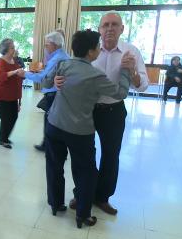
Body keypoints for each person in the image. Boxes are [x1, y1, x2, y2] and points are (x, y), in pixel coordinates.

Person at [61, 11, 149, 215]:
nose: (110, 28)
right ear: (100, 29)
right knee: (82, 154)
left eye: (114, 24)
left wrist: (133, 72)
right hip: (87, 110)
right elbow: (71, 73)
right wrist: (59, 82)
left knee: (111, 155)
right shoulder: (89, 51)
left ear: (122, 29)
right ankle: (82, 193)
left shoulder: (131, 52)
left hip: (114, 110)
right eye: (105, 25)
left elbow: (143, 85)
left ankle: (102, 197)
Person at [43, 29, 132, 228]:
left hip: (54, 125)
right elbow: (120, 93)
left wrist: (54, 81)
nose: (100, 49)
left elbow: (46, 81)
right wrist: (125, 71)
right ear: (92, 52)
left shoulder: (62, 64)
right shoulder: (96, 75)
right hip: (79, 131)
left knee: (54, 165)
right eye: (98, 46)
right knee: (87, 172)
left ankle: (56, 204)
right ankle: (83, 215)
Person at [25, 32, 70, 152]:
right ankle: (49, 144)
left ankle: (49, 145)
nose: (45, 47)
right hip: (58, 94)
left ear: (54, 45)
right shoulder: (63, 55)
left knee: (50, 121)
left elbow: (43, 78)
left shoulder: (57, 58)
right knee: (52, 120)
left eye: (47, 45)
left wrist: (25, 74)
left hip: (54, 94)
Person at [0, 39, 25, 149]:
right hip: (2, 95)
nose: (14, 49)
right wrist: (16, 72)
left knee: (14, 116)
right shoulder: (1, 61)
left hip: (12, 95)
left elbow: (18, 74)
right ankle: (3, 139)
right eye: (12, 47)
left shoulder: (13, 61)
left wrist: (22, 74)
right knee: (6, 118)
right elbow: (1, 76)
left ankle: (4, 136)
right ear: (6, 49)